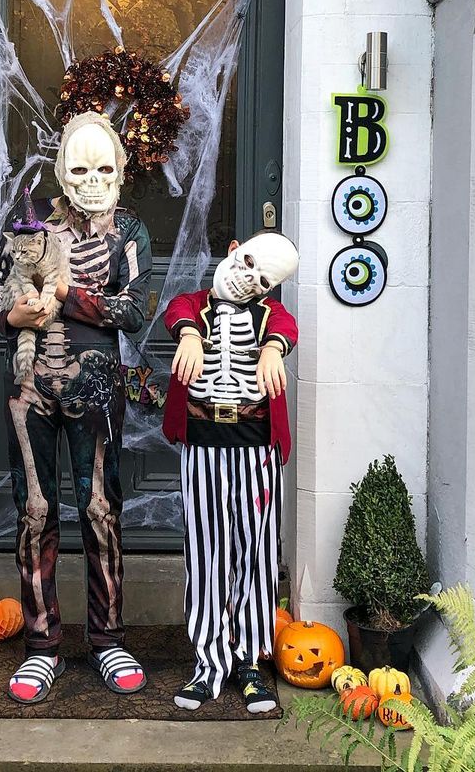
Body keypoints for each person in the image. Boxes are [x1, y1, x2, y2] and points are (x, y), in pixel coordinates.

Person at [0, 112, 151, 704]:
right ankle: (41, 645)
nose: (91, 180)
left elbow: (135, 309)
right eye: (79, 167)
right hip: (30, 382)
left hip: (96, 386)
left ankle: (108, 637)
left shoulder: (129, 231)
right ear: (60, 169)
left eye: (104, 167)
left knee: (100, 507)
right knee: (34, 510)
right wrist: (14, 317)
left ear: (121, 171)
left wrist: (67, 295)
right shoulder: (31, 224)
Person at [161, 231, 300, 713]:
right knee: (206, 556)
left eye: (262, 281)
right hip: (202, 447)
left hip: (255, 450)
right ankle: (208, 664)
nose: (249, 282)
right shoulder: (193, 306)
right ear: (234, 248)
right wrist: (191, 334)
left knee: (257, 556)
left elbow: (286, 324)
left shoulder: (269, 317)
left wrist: (271, 350)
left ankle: (250, 662)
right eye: (248, 264)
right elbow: (175, 309)